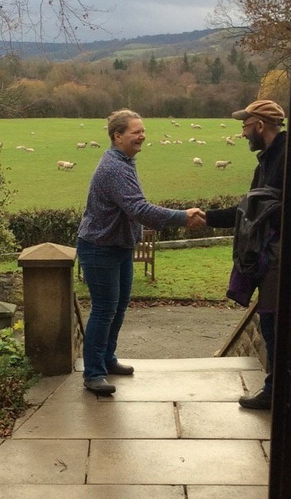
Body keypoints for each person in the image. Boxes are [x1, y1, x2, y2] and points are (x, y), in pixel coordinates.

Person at [77, 109, 206, 395]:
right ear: (117, 136)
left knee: (118, 307)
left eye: (143, 130)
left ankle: (107, 360)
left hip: (119, 246)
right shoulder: (115, 168)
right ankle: (93, 373)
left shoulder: (124, 161)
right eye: (136, 132)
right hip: (100, 248)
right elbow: (139, 209)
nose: (142, 136)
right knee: (103, 310)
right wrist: (182, 216)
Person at [205, 99, 287, 410]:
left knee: (273, 322)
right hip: (267, 256)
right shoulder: (265, 162)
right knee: (270, 323)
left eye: (245, 125)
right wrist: (208, 217)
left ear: (260, 126)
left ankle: (276, 392)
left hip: (278, 256)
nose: (242, 132)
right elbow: (247, 211)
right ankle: (277, 388)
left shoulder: (288, 158)